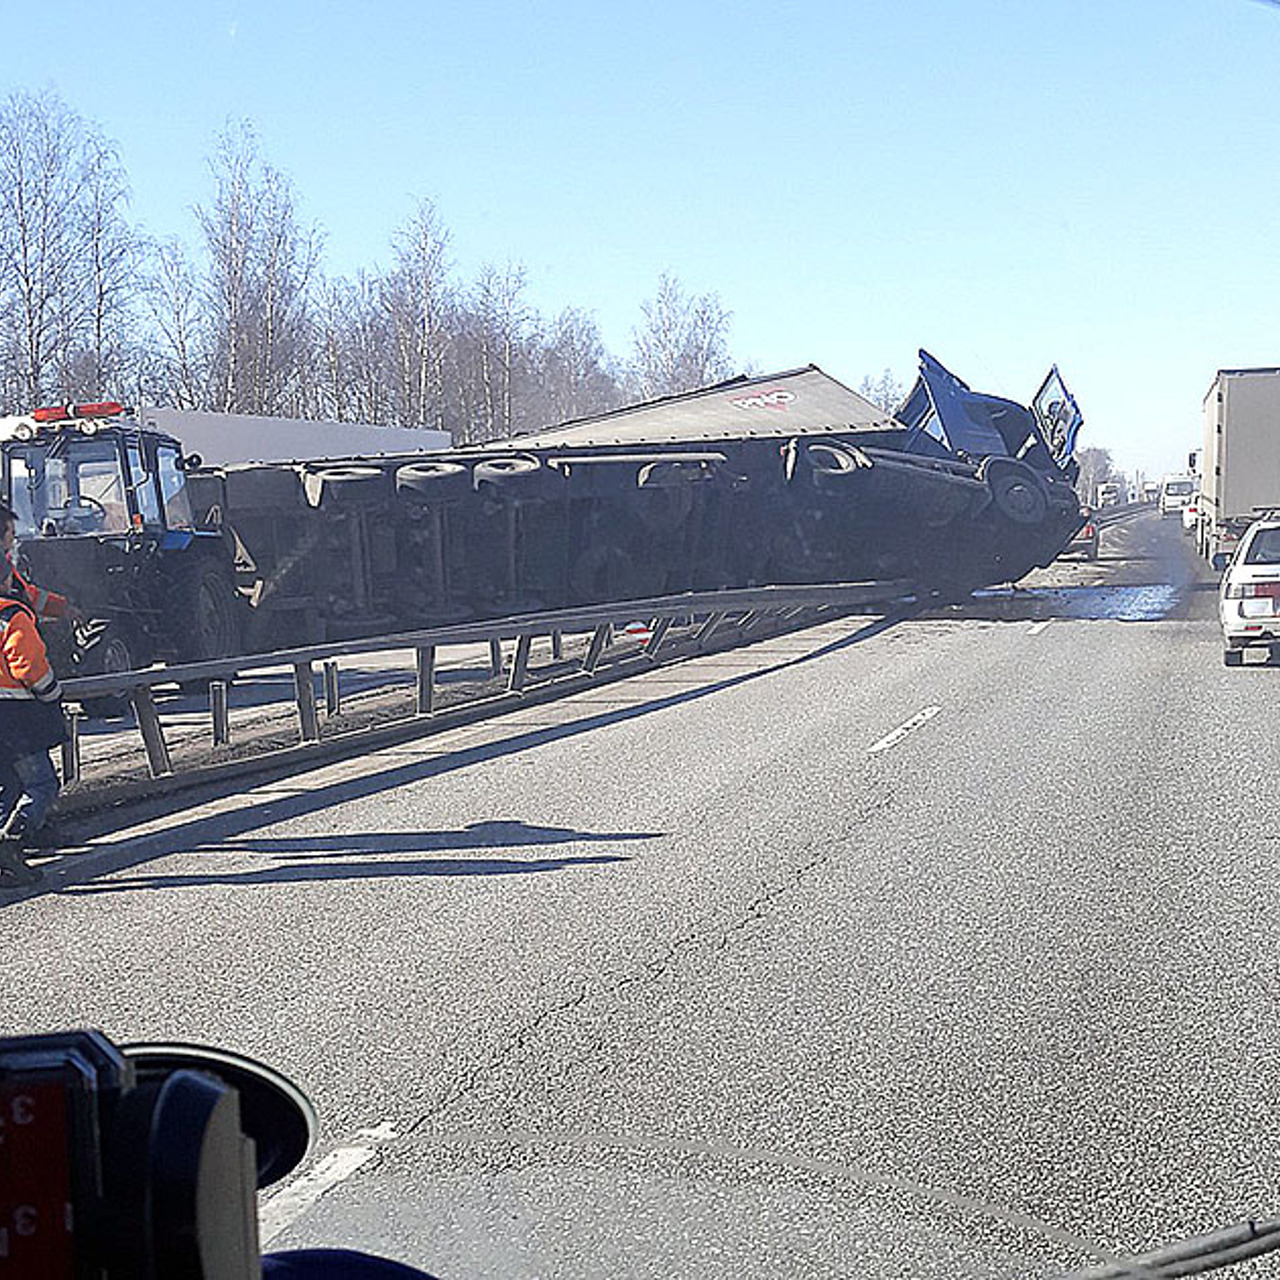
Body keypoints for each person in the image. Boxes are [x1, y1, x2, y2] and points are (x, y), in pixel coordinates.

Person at [0, 504, 68, 886]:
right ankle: (13, 842)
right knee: (39, 782)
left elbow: (37, 596)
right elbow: (28, 666)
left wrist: (64, 608)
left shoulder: (12, 579)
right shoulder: (12, 614)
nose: (14, 538)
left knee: (7, 784)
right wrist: (50, 692)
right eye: (9, 532)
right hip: (14, 719)